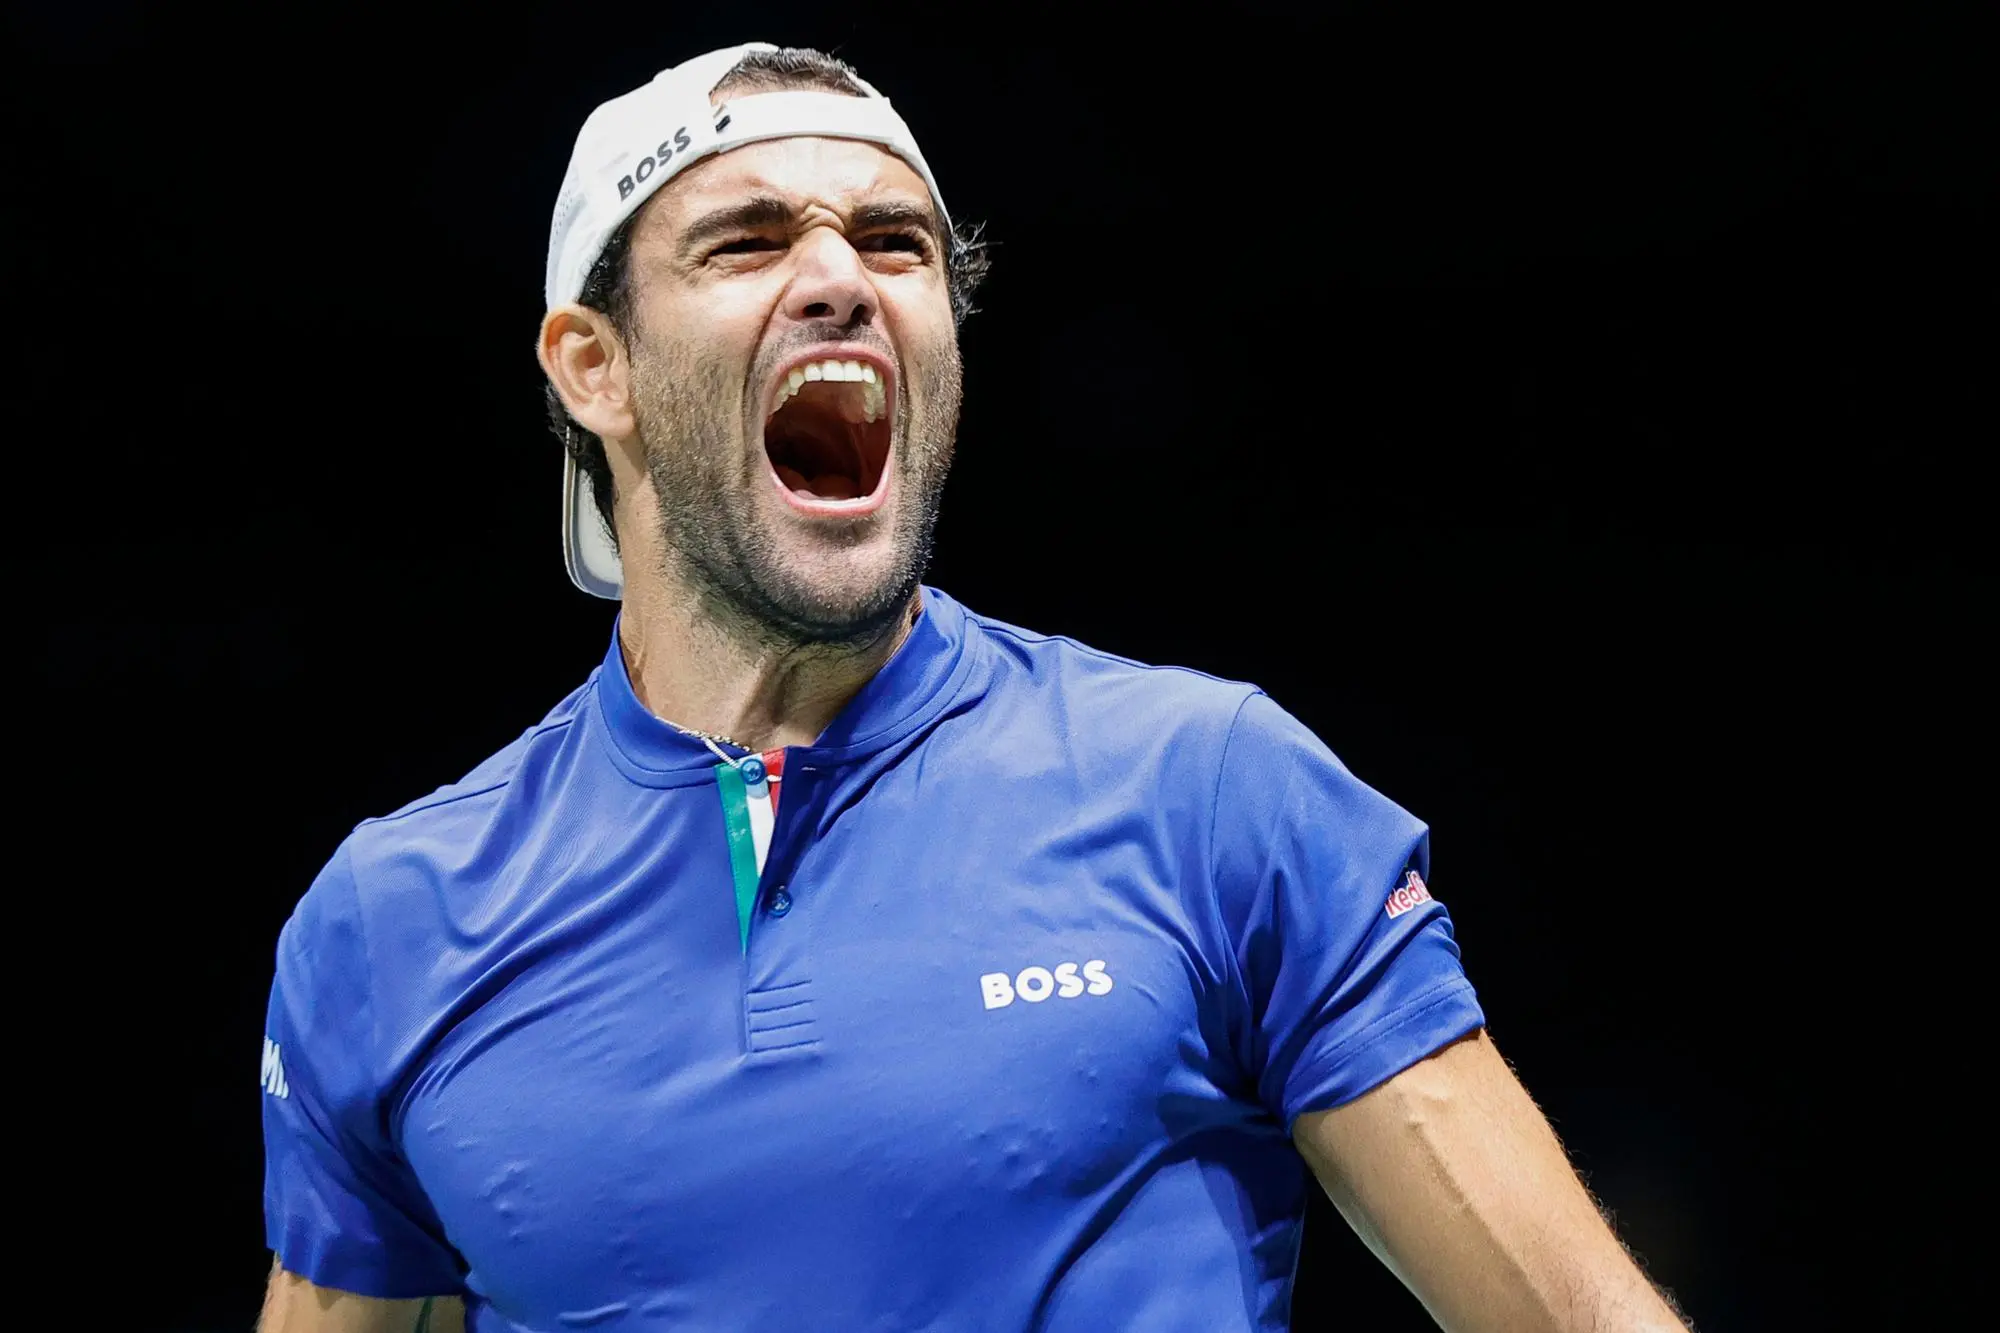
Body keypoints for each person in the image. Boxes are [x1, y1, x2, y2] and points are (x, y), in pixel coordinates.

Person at [258, 41, 1694, 1333]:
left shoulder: (1209, 790)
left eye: (896, 243)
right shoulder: (393, 922)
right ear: (594, 367)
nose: (841, 279)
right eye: (746, 242)